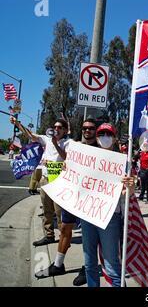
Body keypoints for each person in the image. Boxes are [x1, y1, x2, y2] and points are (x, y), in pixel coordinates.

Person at [35, 118, 99, 286]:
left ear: (96, 131)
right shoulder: (75, 146)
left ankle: (88, 268)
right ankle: (58, 264)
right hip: (72, 194)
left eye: (91, 128)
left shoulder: (101, 150)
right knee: (64, 228)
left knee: (88, 235)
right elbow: (66, 160)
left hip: (89, 198)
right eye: (85, 128)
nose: (87, 131)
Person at [81, 123, 134, 287]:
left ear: (114, 138)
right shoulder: (87, 158)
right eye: (102, 134)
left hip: (110, 218)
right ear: (97, 138)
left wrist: (130, 186)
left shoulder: (123, 162)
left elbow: (127, 194)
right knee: (89, 263)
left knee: (112, 266)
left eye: (108, 134)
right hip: (88, 215)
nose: (105, 137)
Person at [11, 116, 69, 246]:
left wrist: (55, 144)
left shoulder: (68, 143)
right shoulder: (47, 139)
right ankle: (49, 235)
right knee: (47, 210)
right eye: (55, 127)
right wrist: (17, 123)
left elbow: (66, 157)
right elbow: (30, 135)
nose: (56, 129)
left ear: (65, 131)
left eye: (60, 127)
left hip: (59, 181)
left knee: (59, 212)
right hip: (45, 179)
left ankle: (63, 237)